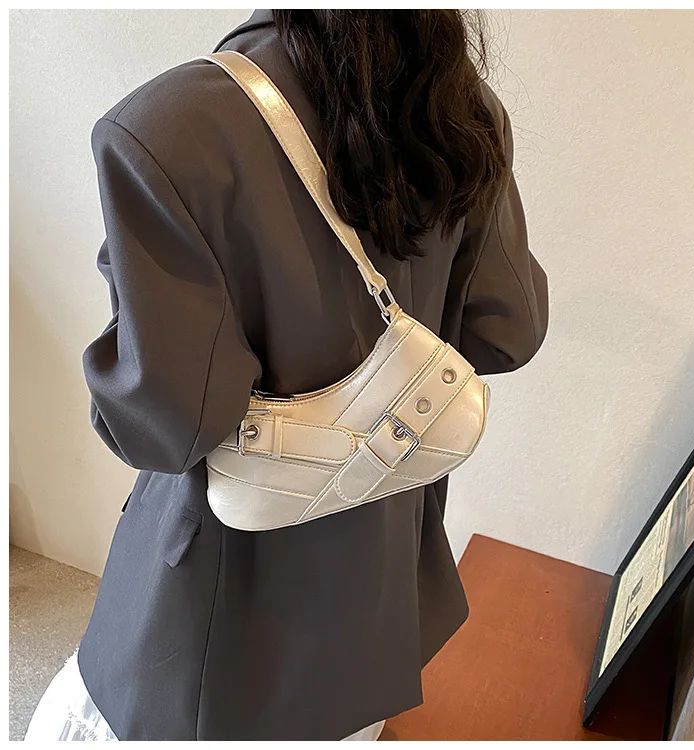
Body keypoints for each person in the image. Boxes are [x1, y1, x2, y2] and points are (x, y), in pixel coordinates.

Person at [25, 9, 548, 741]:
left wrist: (129, 304)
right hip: (381, 581)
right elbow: (505, 331)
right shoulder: (458, 106)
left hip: (216, 618)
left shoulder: (165, 129)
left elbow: (166, 427)